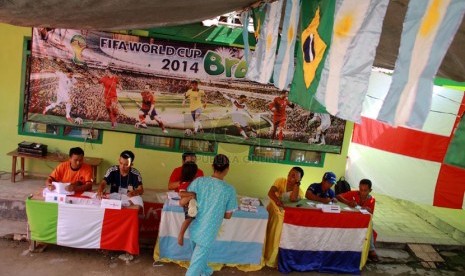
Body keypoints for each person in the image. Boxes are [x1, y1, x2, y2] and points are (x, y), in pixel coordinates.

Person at [185, 154, 238, 276]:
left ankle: (204, 272)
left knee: (197, 257)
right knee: (196, 262)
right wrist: (216, 211)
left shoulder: (199, 181)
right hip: (209, 230)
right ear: (227, 169)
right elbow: (228, 215)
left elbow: (188, 199)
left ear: (212, 166)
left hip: (194, 225)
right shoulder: (229, 190)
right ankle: (201, 271)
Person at [264, 167, 304, 267]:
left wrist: (297, 185)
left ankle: (272, 258)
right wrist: (277, 201)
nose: (290, 177)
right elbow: (270, 192)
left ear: (299, 180)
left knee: (278, 234)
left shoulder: (300, 192)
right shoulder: (280, 180)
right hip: (273, 210)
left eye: (294, 176)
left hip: (283, 214)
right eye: (289, 174)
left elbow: (293, 198)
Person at [336, 179, 379, 262]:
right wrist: (348, 202)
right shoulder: (354, 193)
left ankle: (371, 249)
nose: (362, 192)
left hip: (361, 222)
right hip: (350, 219)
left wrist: (368, 209)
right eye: (361, 189)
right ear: (359, 188)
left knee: (370, 223)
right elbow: (338, 196)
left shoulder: (371, 199)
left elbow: (370, 215)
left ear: (370, 190)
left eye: (365, 190)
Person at [176, 162, 199, 246]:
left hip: (192, 203)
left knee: (191, 216)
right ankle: (181, 234)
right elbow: (181, 194)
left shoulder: (194, 183)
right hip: (187, 203)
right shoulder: (184, 183)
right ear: (193, 173)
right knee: (189, 218)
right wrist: (192, 195)